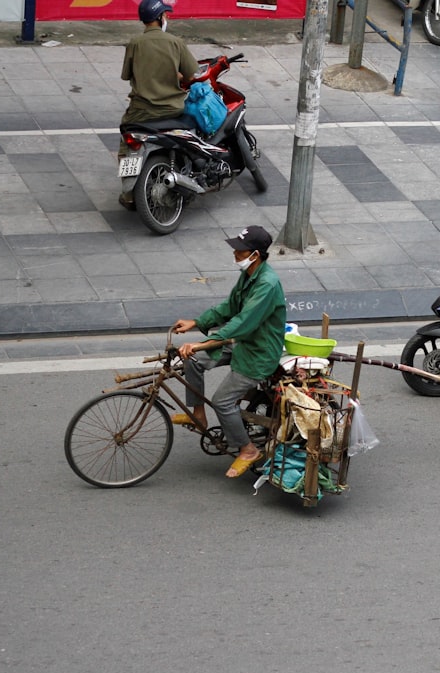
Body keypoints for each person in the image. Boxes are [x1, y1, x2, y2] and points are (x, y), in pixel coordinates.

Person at [172, 226, 287, 478]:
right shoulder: (248, 275)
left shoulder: (267, 284)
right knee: (191, 360)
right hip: (239, 343)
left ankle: (248, 450)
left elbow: (243, 321)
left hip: (258, 354)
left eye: (240, 250)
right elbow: (229, 306)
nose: (235, 253)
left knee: (223, 401)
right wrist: (197, 322)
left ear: (255, 254)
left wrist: (206, 342)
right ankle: (198, 415)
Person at [118, 0, 199, 210]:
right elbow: (192, 74)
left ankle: (128, 195)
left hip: (140, 113)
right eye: (166, 15)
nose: (167, 18)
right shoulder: (175, 42)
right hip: (172, 109)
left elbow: (126, 75)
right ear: (160, 17)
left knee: (125, 148)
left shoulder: (135, 43)